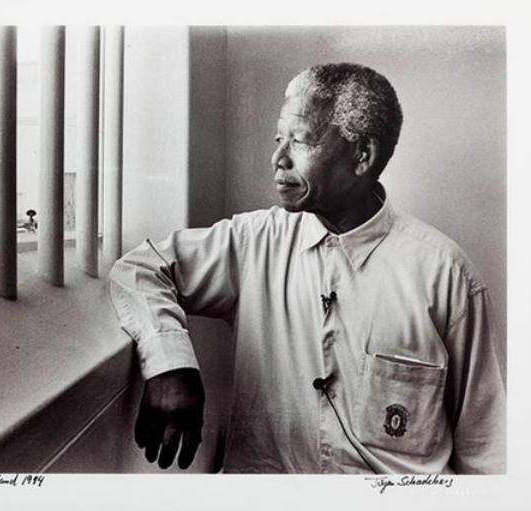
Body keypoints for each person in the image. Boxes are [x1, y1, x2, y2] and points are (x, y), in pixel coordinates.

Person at [109, 63, 506, 474]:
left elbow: (487, 451)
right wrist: (171, 364)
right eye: (279, 139)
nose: (278, 158)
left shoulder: (446, 275)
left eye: (299, 140)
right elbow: (139, 269)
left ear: (362, 155)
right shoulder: (252, 242)